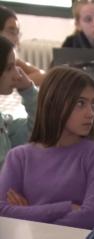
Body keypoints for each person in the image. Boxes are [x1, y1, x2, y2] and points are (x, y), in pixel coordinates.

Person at [0, 66, 94, 229]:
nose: (90, 113)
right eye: (80, 103)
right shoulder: (19, 157)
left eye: (93, 104)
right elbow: (2, 212)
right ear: (54, 103)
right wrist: (66, 208)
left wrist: (28, 213)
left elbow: (92, 218)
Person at [0, 35, 37, 167]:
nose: (17, 75)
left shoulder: (3, 123)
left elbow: (38, 130)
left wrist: (28, 90)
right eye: (9, 68)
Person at [0, 5, 45, 86]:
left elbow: (42, 75)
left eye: (17, 33)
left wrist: (15, 82)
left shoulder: (12, 60)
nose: (17, 40)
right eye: (12, 32)